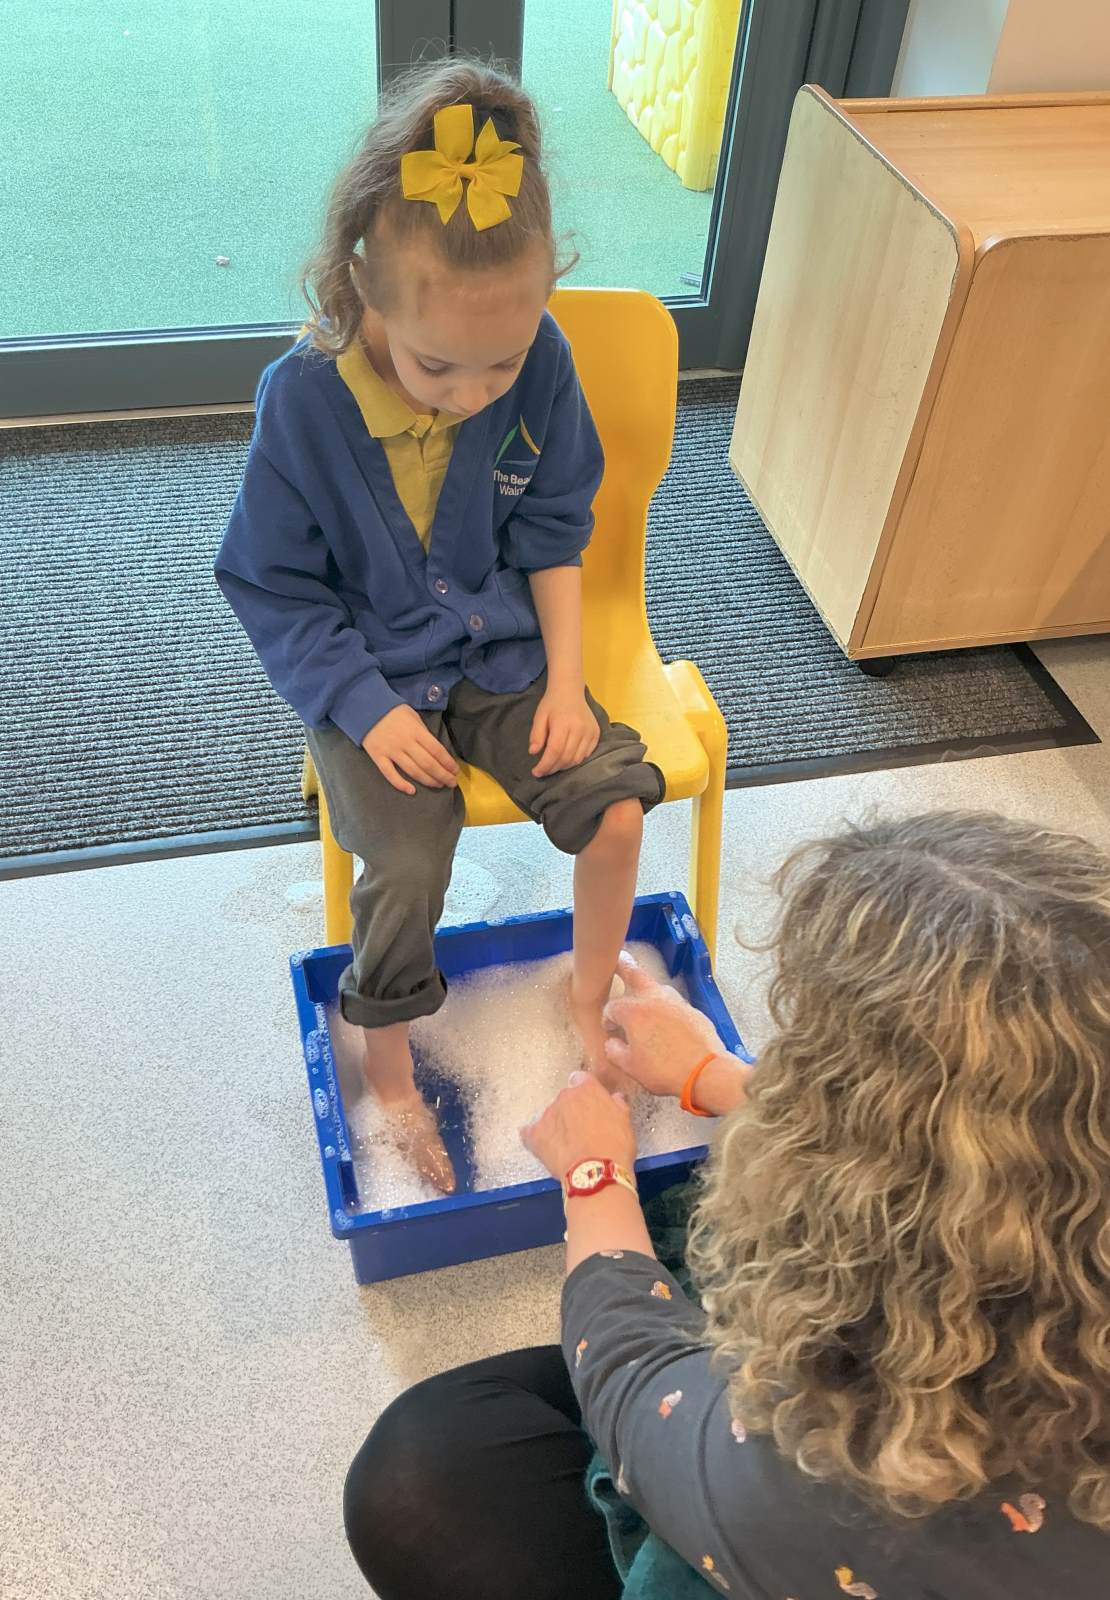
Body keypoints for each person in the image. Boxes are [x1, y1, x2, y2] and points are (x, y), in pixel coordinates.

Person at [343, 811, 1110, 1598]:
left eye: (816, 1061)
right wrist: (714, 1076)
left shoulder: (863, 1473)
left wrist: (594, 1177)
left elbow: (641, 1391)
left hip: (802, 1531)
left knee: (416, 1480)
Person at [215, 61, 662, 1192]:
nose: (471, 394)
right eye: (436, 365)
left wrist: (569, 683)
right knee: (410, 859)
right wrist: (364, 710)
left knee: (615, 807)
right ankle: (389, 1062)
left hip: (502, 656)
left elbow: (555, 529)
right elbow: (273, 586)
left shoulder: (542, 363)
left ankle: (586, 998)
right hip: (366, 676)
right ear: (361, 283)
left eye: (500, 363)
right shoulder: (302, 402)